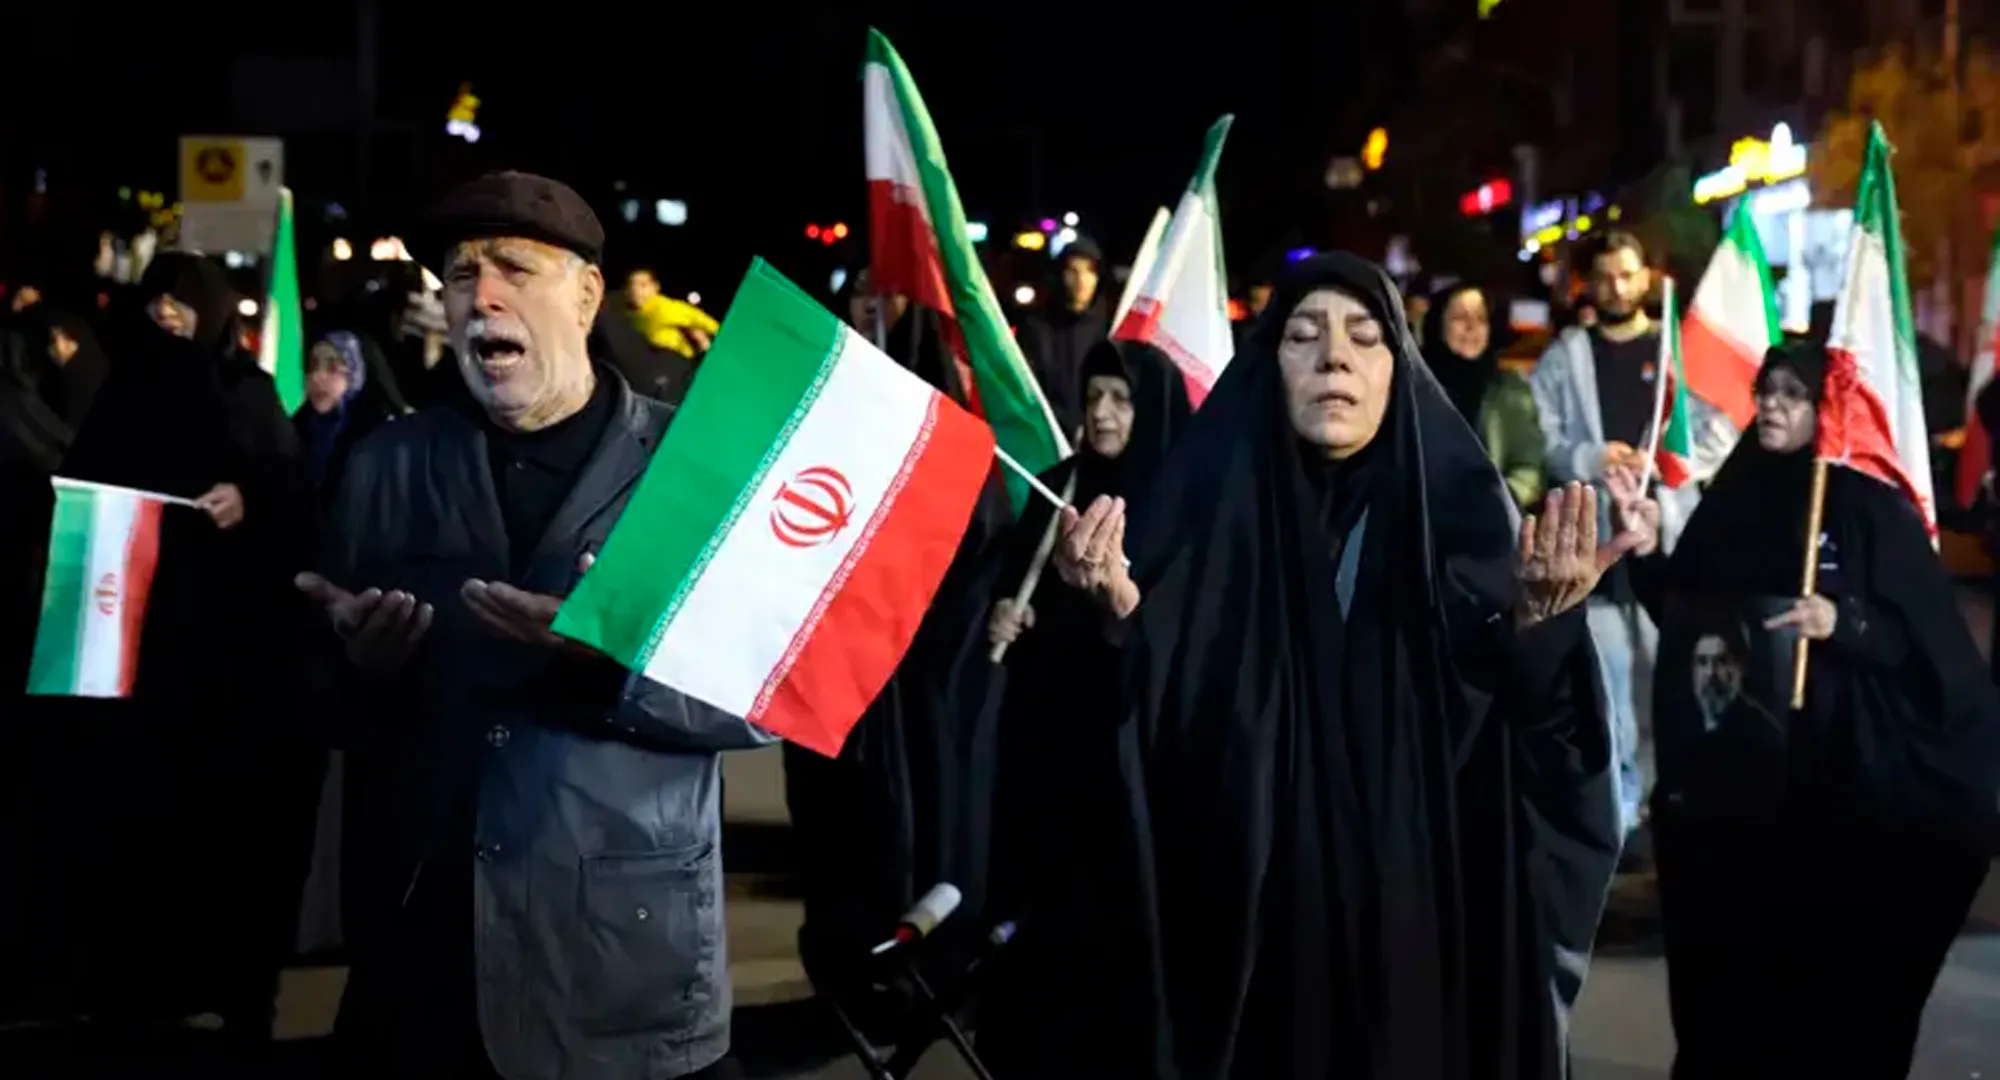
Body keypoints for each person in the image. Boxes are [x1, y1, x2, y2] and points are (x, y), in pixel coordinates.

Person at [1007, 252, 1636, 1078]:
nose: (1333, 357)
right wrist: (1121, 623)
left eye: (1364, 338)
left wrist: (1542, 630)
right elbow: (1137, 768)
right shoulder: (1201, 544)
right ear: (1269, 367)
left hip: (1421, 961)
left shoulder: (1466, 543)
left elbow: (1531, 764)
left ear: (1397, 370)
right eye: (1302, 336)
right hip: (1252, 974)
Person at [300, 171, 770, 1080]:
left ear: (588, 296)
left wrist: (606, 664)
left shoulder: (693, 468)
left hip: (623, 963)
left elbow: (764, 694)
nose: (482, 295)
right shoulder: (385, 466)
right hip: (423, 966)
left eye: (514, 268)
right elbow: (319, 702)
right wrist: (360, 671)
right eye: (460, 274)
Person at [1608, 341, 2000, 1079]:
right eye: (1766, 391)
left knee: (1828, 1000)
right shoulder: (1736, 497)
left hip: (1839, 791)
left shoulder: (1868, 506)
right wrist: (1647, 552)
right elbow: (1696, 625)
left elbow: (1929, 652)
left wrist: (1842, 622)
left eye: (1793, 395)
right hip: (1742, 791)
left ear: (1826, 408)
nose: (1772, 407)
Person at [1421, 281, 1544, 509]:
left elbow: (1528, 465)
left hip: (1493, 516)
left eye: (1481, 318)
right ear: (1439, 325)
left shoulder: (1510, 389)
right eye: (1460, 318)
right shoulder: (1414, 385)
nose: (1472, 327)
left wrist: (1501, 499)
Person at [1016, 237, 1113, 436]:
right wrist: (1068, 425)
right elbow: (1027, 388)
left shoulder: (1109, 328)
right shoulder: (1036, 328)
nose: (1081, 280)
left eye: (1089, 271)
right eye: (1073, 271)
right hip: (1049, 436)